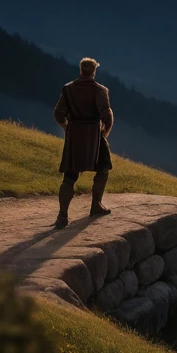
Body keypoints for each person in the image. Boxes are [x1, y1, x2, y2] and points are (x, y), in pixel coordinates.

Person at [53, 57, 114, 229]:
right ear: (94, 71)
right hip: (94, 135)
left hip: (74, 135)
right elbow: (107, 115)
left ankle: (62, 215)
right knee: (103, 166)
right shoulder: (100, 90)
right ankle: (96, 205)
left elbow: (58, 113)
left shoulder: (68, 89)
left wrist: (66, 127)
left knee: (70, 175)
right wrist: (104, 133)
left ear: (81, 70)